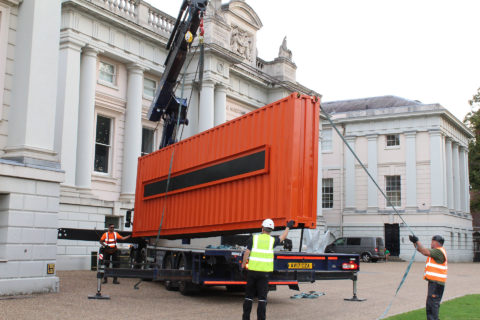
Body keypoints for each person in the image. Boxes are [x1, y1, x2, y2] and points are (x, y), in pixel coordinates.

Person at [241, 219, 295, 320]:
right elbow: (283, 237)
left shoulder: (254, 238)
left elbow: (247, 253)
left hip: (252, 273)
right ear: (271, 230)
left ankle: (246, 318)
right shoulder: (272, 241)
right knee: (262, 299)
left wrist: (243, 264)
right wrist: (288, 226)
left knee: (248, 297)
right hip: (264, 275)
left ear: (262, 228)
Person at [409, 234, 447, 320]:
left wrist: (417, 240)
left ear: (438, 243)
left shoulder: (439, 251)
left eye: (433, 242)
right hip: (434, 283)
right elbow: (420, 250)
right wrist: (414, 242)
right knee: (430, 306)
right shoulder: (436, 251)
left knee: (433, 307)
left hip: (437, 284)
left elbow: (424, 251)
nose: (431, 243)